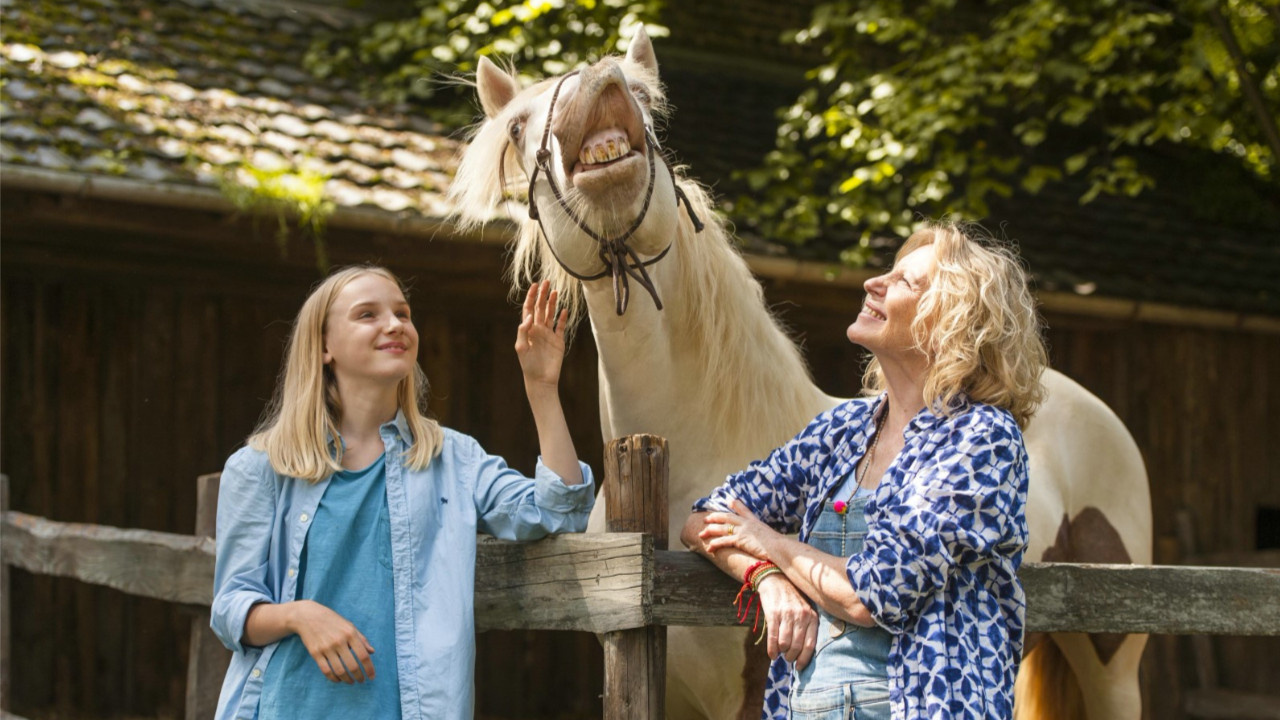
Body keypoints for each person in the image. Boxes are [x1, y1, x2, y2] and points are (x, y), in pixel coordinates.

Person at [682, 221, 1047, 720]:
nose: (873, 283)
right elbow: (704, 518)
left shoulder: (981, 438)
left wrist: (770, 542)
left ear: (952, 323)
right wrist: (768, 579)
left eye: (905, 282)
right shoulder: (844, 429)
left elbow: (871, 595)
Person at [210, 266, 594, 720]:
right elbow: (232, 609)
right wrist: (300, 615)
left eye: (403, 313)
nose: (394, 324)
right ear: (324, 347)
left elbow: (558, 510)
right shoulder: (261, 467)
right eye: (367, 314)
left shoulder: (454, 459)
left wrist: (542, 389)